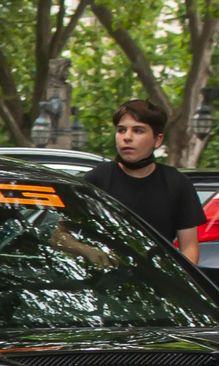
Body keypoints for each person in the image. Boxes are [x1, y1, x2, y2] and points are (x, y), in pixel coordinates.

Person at [85, 97, 205, 264]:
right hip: (105, 283)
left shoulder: (177, 183)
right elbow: (60, 235)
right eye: (121, 130)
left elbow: (190, 247)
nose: (127, 137)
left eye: (138, 131)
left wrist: (177, 286)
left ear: (157, 140)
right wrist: (89, 252)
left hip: (157, 283)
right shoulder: (97, 178)